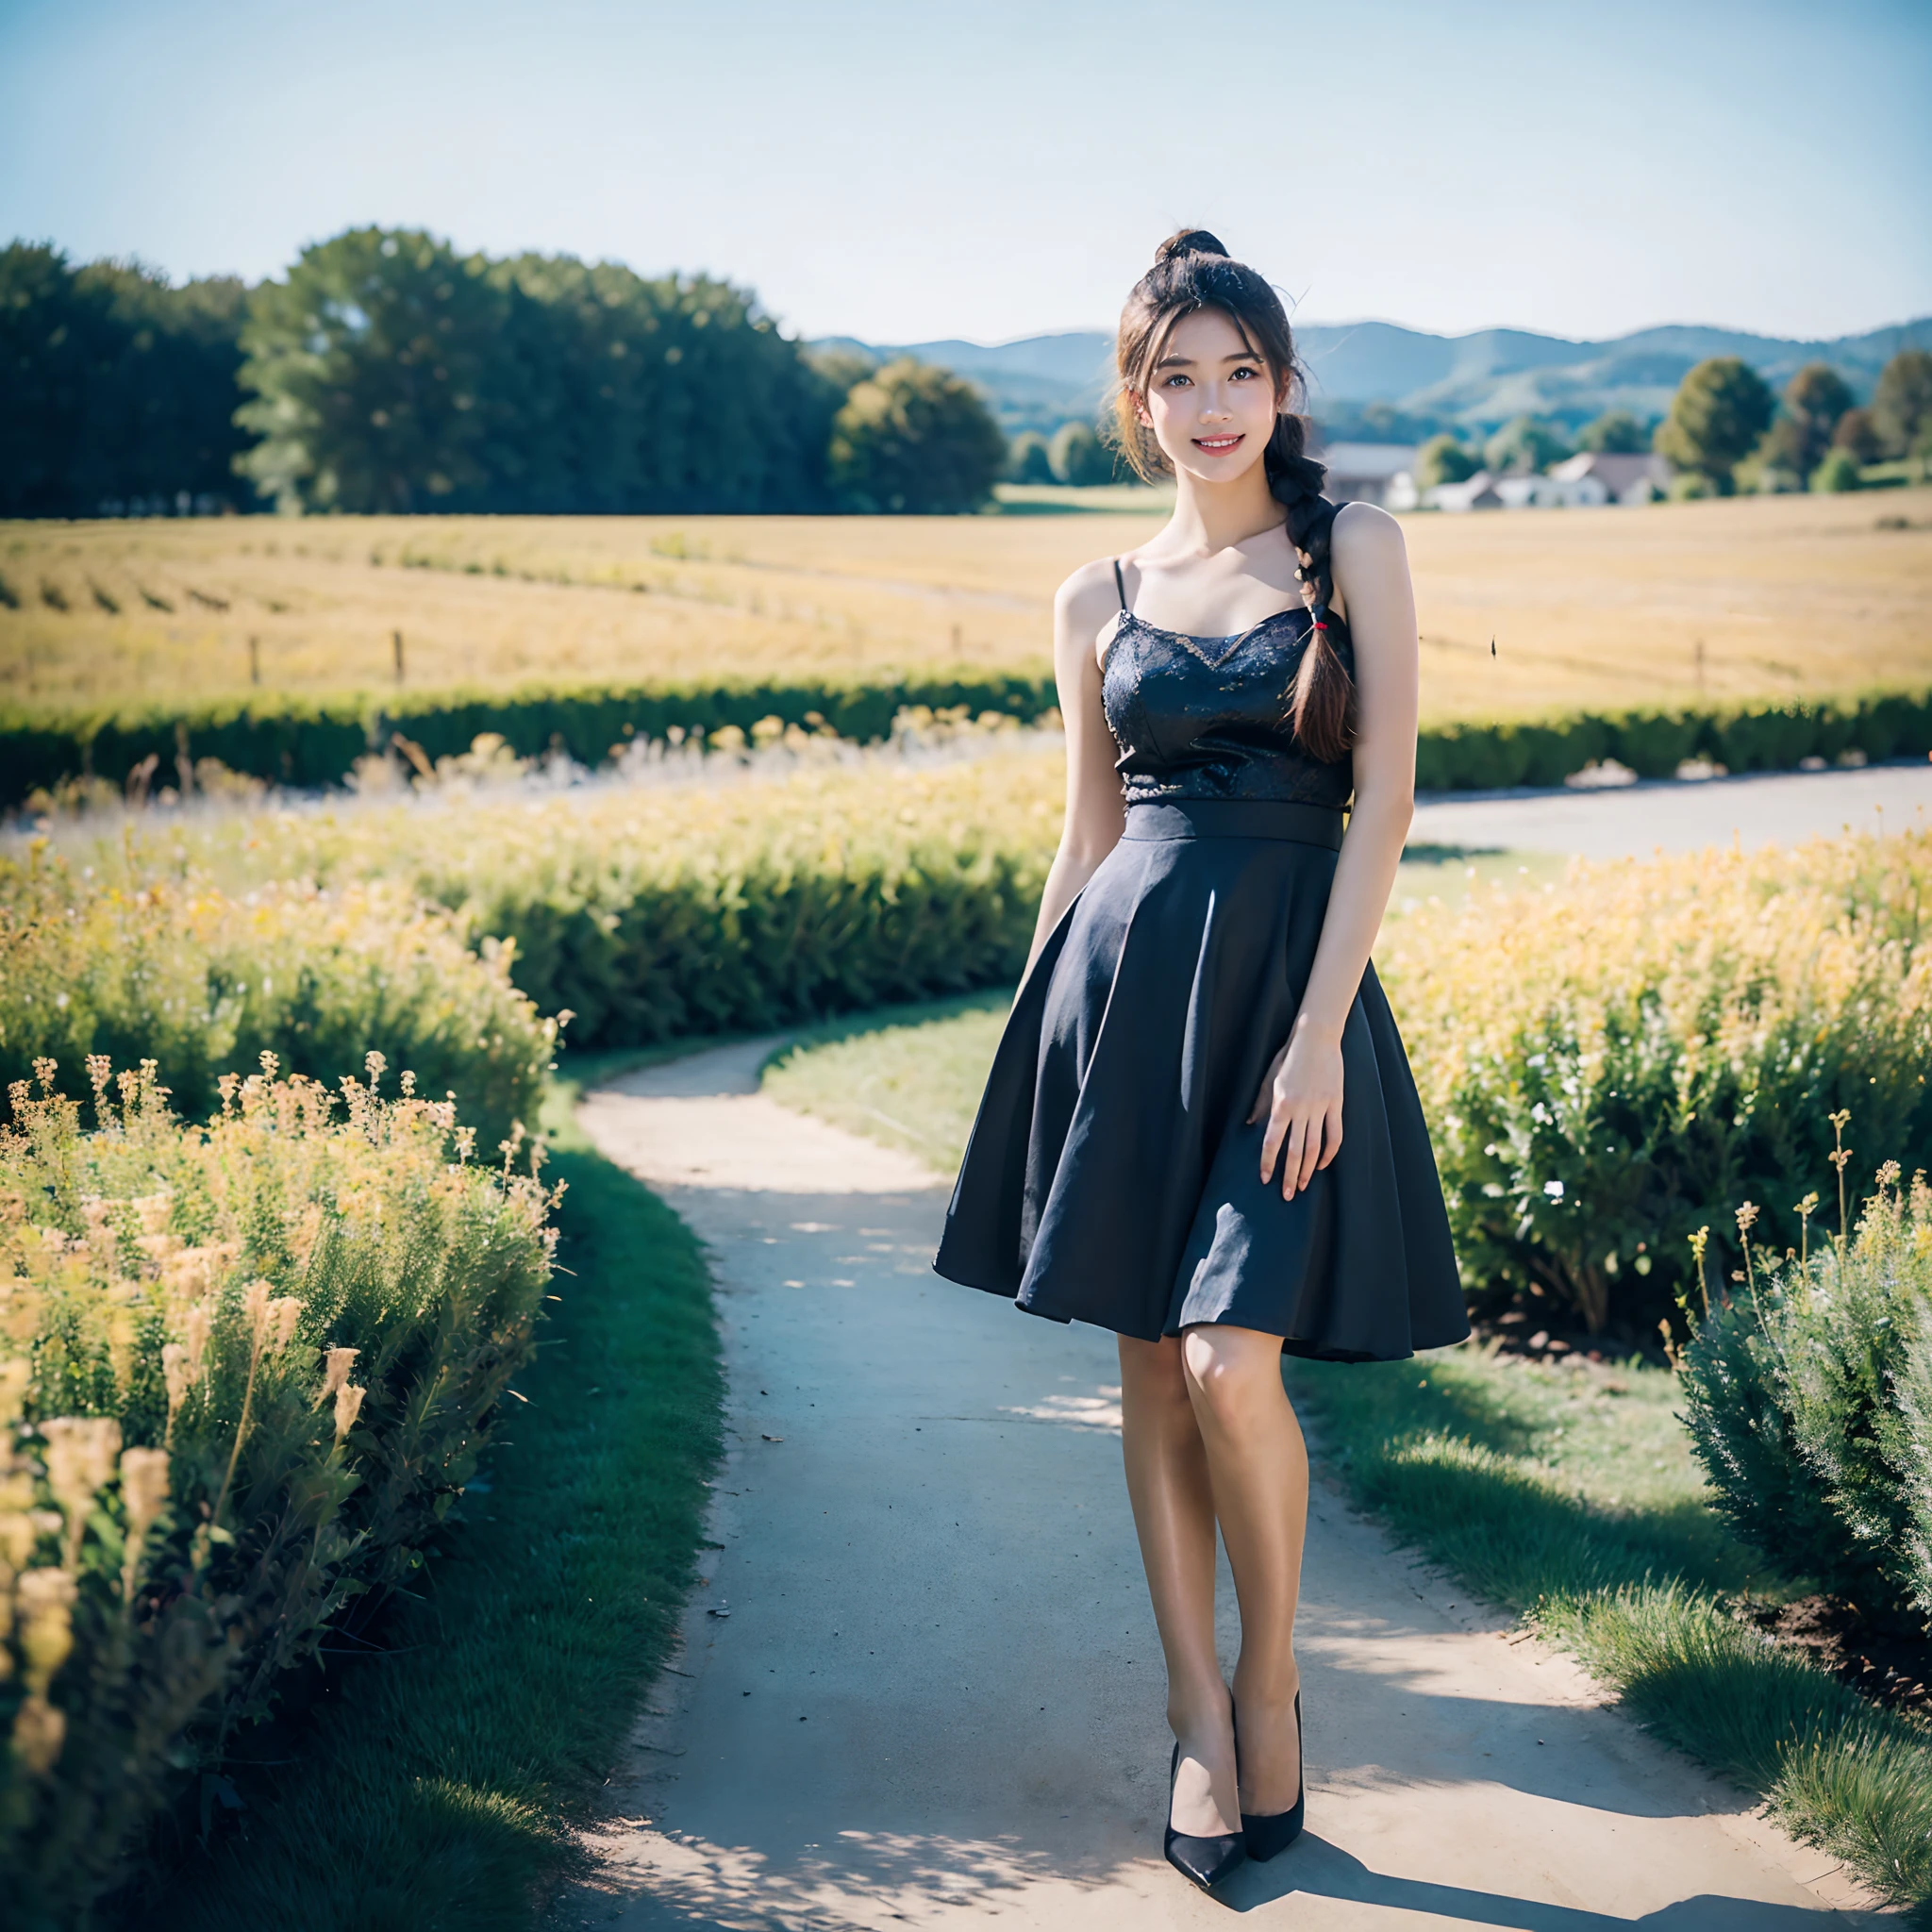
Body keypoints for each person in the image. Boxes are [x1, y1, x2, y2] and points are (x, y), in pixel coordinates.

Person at [931, 230, 1469, 1891]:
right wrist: (1035, 1050)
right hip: (1124, 1000)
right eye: (1179, 376)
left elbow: (1382, 798)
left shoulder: (1349, 547)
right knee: (1153, 1367)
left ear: (1286, 386)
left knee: (1240, 1364)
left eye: (1241, 371)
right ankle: (1193, 1720)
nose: (1212, 403)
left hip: (1289, 1012)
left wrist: (1318, 1035)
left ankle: (1271, 1681)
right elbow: (1086, 829)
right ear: (1137, 399)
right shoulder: (1094, 593)